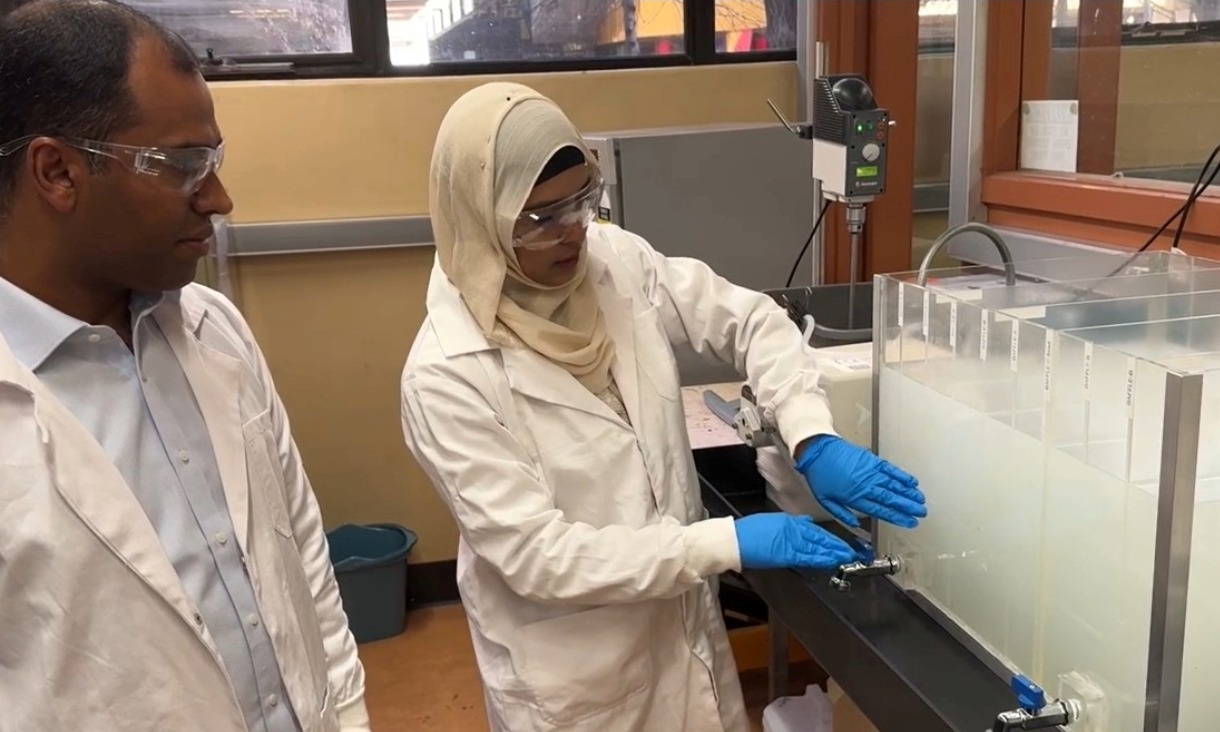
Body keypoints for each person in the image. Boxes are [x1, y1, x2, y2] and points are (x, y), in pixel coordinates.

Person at [400, 81, 926, 731]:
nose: (573, 234)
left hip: (684, 638)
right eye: (542, 219)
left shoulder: (614, 262)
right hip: (579, 679)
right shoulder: (445, 377)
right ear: (480, 217)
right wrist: (724, 541)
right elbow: (542, 557)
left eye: (582, 202)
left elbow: (752, 322)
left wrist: (809, 435)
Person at [0, 2, 369, 730]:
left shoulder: (215, 331)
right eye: (181, 166)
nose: (219, 199)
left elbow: (303, 566)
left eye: (214, 163)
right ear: (57, 172)